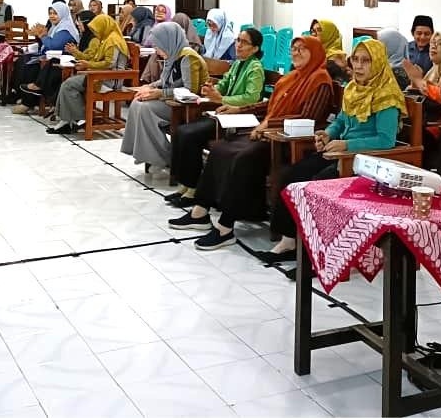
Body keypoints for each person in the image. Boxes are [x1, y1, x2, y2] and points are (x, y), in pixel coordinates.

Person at [169, 36, 335, 250]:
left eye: (302, 49)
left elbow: (308, 118)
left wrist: (268, 125)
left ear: (316, 53)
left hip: (286, 141)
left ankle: (225, 227)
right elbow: (268, 106)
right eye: (293, 48)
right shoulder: (291, 77)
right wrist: (240, 109)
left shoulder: (320, 81)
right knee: (220, 149)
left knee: (242, 158)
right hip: (267, 132)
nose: (296, 53)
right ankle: (200, 211)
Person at [257, 39, 406, 263]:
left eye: (366, 61)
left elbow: (385, 140)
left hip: (365, 161)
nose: (358, 66)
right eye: (355, 60)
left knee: (317, 184)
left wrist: (346, 145)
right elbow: (341, 122)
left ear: (378, 63)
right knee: (291, 176)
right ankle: (289, 241)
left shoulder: (387, 96)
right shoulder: (353, 88)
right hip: (340, 152)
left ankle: (319, 254)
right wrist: (327, 134)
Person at [165, 29, 267, 207]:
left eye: (244, 42)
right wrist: (212, 90)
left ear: (255, 48)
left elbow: (251, 98)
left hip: (240, 117)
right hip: (224, 113)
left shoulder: (255, 68)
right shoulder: (237, 64)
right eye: (237, 40)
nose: (238, 45)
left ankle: (193, 189)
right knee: (182, 131)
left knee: (191, 135)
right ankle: (185, 184)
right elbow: (224, 84)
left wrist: (221, 99)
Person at [120, 22, 208, 169]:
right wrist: (150, 86)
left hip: (187, 107)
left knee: (146, 109)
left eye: (158, 45)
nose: (156, 50)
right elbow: (164, 80)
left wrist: (160, 93)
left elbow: (190, 90)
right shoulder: (173, 53)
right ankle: (147, 153)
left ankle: (166, 156)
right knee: (137, 102)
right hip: (172, 101)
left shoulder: (188, 58)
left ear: (168, 40)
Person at [48, 14, 130, 135]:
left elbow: (109, 63)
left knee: (68, 85)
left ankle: (80, 118)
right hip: (99, 75)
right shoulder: (107, 39)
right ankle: (67, 120)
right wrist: (83, 61)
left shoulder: (113, 41)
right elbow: (96, 58)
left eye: (96, 29)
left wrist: (88, 64)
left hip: (110, 79)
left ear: (104, 26)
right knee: (68, 83)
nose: (95, 32)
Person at [11, 1, 80, 113]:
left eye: (55, 13)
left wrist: (42, 35)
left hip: (61, 62)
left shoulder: (65, 29)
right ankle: (23, 97)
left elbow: (53, 45)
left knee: (32, 68)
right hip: (50, 58)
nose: (52, 16)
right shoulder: (55, 27)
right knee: (23, 61)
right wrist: (40, 35)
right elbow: (46, 44)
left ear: (62, 14)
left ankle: (28, 103)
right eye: (50, 13)